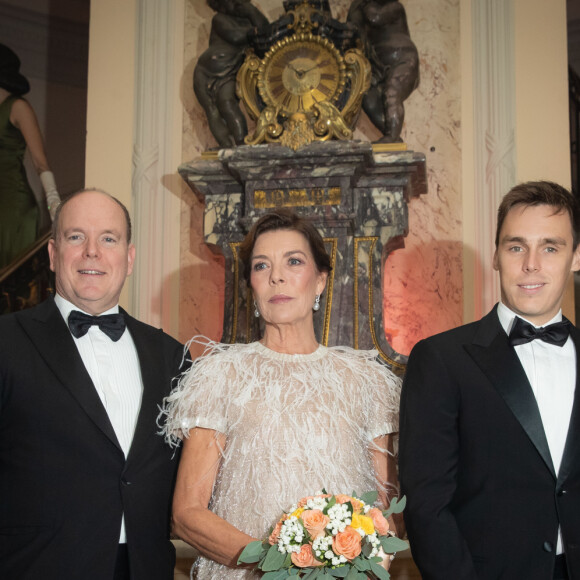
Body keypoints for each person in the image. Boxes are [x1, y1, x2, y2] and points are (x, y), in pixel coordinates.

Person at [160, 209, 402, 579]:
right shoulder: (219, 375)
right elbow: (187, 514)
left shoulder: (368, 382)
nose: (277, 276)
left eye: (294, 261)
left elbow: (386, 514)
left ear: (320, 280)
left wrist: (356, 565)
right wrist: (279, 562)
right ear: (251, 285)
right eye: (261, 266)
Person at [0, 188, 187, 580]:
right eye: (75, 237)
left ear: (129, 257)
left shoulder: (173, 357)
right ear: (53, 255)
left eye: (108, 238)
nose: (92, 252)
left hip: (145, 568)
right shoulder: (6, 341)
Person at [399, 180, 580, 580]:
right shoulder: (441, 359)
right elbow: (426, 504)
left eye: (550, 247)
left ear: (576, 256)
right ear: (497, 256)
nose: (531, 263)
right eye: (516, 247)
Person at [0, 43, 60, 269]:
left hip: (14, 206)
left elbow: (40, 161)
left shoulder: (17, 107)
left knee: (13, 281)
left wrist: (54, 204)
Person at [193, 0, 268, 148]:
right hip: (204, 72)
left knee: (227, 104)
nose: (236, 4)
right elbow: (235, 36)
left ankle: (241, 145)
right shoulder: (220, 18)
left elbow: (266, 34)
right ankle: (226, 146)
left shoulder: (248, 20)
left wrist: (252, 12)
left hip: (229, 72)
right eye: (230, 2)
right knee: (211, 109)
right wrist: (254, 30)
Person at [347, 0, 419, 143]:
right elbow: (353, 31)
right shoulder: (360, 8)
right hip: (376, 65)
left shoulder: (395, 7)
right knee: (367, 98)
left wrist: (362, 4)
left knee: (391, 93)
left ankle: (391, 136)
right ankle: (392, 134)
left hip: (403, 59)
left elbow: (375, 17)